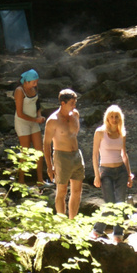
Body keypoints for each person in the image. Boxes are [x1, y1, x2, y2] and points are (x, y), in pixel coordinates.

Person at [91, 104, 133, 243]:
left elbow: (124, 154)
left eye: (116, 117)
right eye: (111, 117)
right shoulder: (100, 132)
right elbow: (95, 154)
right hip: (106, 171)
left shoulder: (122, 133)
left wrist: (129, 174)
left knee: (120, 204)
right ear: (107, 118)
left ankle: (118, 235)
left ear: (120, 118)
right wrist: (96, 175)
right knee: (110, 205)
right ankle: (97, 231)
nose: (114, 119)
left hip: (120, 171)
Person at [43, 88, 84, 219]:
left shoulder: (75, 114)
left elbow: (73, 135)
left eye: (75, 102)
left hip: (76, 155)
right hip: (61, 156)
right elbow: (46, 144)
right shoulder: (53, 120)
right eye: (72, 102)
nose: (74, 105)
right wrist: (49, 166)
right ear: (63, 103)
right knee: (62, 191)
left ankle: (72, 221)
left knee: (77, 191)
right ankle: (62, 222)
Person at [14, 69, 46, 186]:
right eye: (33, 82)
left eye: (36, 82)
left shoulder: (34, 89)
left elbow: (37, 105)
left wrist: (39, 116)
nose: (35, 84)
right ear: (26, 81)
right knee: (25, 151)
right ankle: (21, 181)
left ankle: (40, 180)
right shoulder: (19, 91)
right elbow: (20, 113)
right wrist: (35, 120)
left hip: (33, 121)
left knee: (39, 151)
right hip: (22, 122)